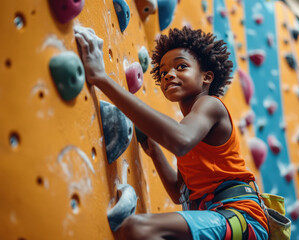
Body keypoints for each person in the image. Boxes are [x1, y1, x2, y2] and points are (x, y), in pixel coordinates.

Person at [74, 26, 269, 240]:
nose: (169, 75)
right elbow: (179, 193)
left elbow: (179, 140)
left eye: (181, 66)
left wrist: (101, 78)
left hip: (241, 217)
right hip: (219, 217)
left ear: (207, 77)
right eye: (164, 72)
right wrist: (155, 152)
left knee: (138, 229)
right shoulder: (190, 127)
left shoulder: (210, 106)